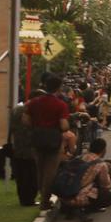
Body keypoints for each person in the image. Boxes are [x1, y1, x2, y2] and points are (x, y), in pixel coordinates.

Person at [26, 75, 70, 211]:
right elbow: (63, 126)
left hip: (37, 138)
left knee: (40, 169)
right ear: (59, 87)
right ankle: (45, 200)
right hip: (53, 139)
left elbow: (25, 120)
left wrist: (36, 125)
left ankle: (41, 195)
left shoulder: (34, 102)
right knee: (50, 171)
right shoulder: (60, 104)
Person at [9, 101, 37, 207]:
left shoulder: (16, 110)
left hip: (18, 148)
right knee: (29, 175)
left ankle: (24, 199)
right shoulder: (26, 111)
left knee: (21, 176)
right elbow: (27, 125)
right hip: (27, 149)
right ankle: (29, 199)